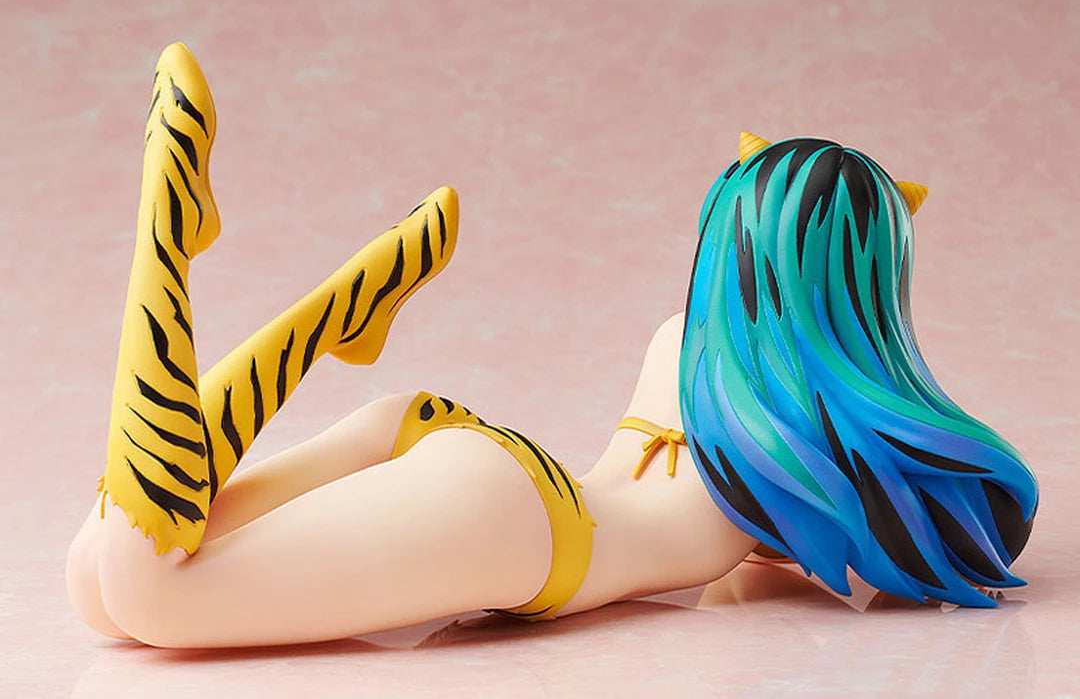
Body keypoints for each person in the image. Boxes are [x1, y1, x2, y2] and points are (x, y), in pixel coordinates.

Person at [66, 44, 1037, 649]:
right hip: (524, 526)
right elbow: (949, 540)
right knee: (144, 591)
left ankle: (334, 316)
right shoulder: (807, 429)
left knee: (101, 582)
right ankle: (168, 242)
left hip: (454, 448)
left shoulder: (692, 352)